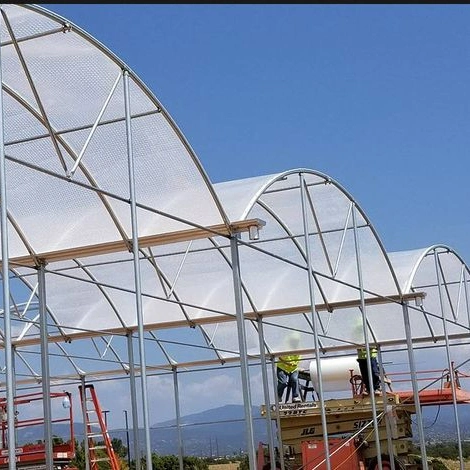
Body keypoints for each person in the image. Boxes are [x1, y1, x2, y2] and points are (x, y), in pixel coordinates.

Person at [277, 332, 302, 403]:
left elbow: (299, 358)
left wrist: (293, 364)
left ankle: (295, 396)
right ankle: (278, 396)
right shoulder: (284, 346)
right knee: (283, 382)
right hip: (282, 367)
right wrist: (288, 363)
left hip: (293, 368)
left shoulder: (298, 348)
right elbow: (280, 357)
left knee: (294, 379)